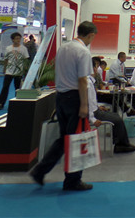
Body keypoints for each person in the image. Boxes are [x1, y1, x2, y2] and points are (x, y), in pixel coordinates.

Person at [29, 21, 97, 191]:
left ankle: (40, 170)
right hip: (75, 98)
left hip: (61, 97)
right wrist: (84, 105)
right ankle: (72, 180)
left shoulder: (64, 48)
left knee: (65, 138)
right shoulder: (83, 51)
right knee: (76, 139)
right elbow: (83, 80)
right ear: (90, 35)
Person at [86, 73, 135, 153]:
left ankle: (119, 142)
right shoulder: (88, 83)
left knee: (116, 114)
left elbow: (89, 102)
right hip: (94, 113)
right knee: (117, 119)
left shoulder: (89, 81)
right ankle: (121, 145)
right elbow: (86, 102)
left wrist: (97, 107)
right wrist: (92, 119)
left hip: (95, 110)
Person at [0, 32, 29, 109]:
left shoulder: (24, 49)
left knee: (17, 88)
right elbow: (6, 59)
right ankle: (0, 103)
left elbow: (26, 60)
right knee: (5, 87)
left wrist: (25, 70)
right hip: (9, 71)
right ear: (13, 40)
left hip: (19, 71)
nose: (18, 40)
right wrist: (4, 69)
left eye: (19, 38)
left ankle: (18, 103)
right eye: (16, 38)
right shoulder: (8, 48)